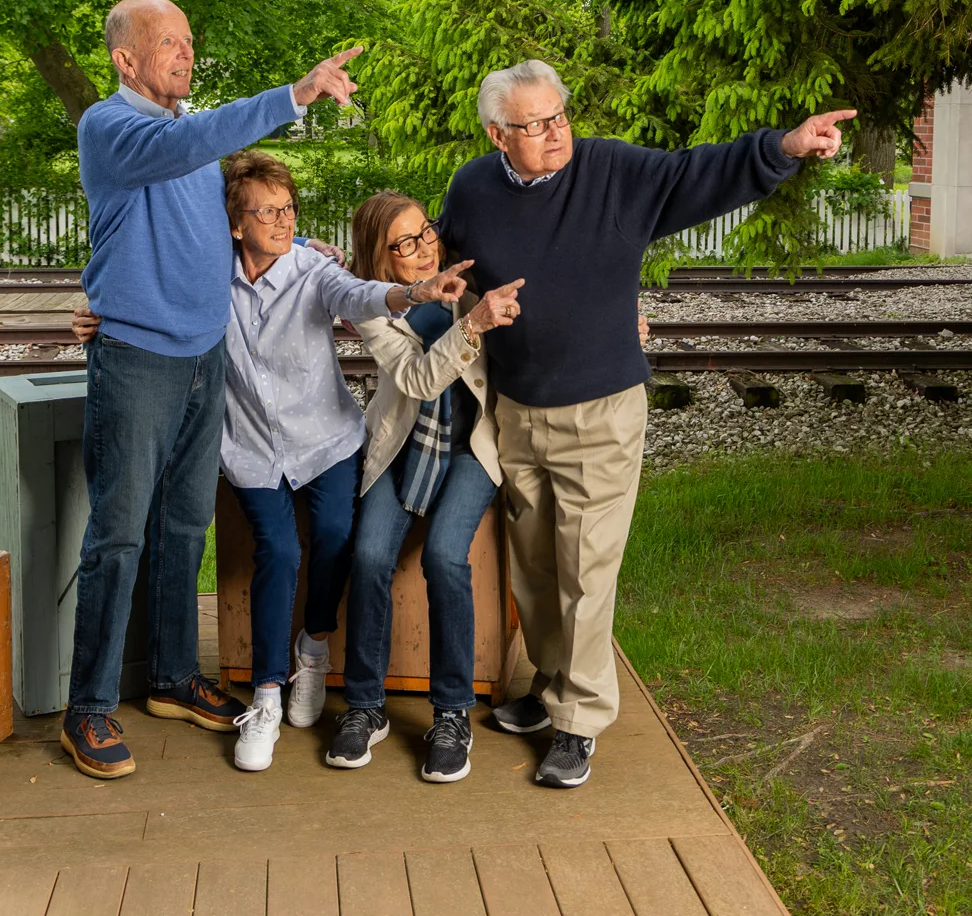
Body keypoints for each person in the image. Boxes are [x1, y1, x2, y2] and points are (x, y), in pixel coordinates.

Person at [439, 59, 854, 788]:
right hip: (517, 406)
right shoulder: (472, 187)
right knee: (534, 568)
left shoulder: (613, 171)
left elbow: (701, 173)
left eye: (559, 116)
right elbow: (451, 267)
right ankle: (549, 686)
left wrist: (782, 148)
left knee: (586, 570)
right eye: (534, 125)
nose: (554, 133)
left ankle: (580, 720)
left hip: (602, 408)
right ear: (497, 134)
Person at [61, 0, 361, 782]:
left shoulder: (190, 146)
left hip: (205, 357)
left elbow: (224, 236)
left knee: (186, 525)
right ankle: (86, 708)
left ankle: (169, 678)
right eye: (169, 43)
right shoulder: (112, 127)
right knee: (120, 533)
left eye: (190, 42)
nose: (186, 54)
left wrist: (301, 252)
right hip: (136, 359)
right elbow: (195, 141)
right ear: (126, 60)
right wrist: (292, 95)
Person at [217, 154, 471, 772]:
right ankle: (275, 694)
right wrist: (97, 314)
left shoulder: (314, 269)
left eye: (289, 210)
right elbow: (150, 277)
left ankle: (323, 646)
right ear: (234, 224)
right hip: (253, 447)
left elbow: (356, 291)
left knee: (339, 535)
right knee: (286, 550)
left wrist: (411, 292)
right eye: (267, 212)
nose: (281, 220)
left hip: (330, 440)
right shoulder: (207, 274)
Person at [323, 192, 522, 783]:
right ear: (380, 259)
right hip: (406, 442)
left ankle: (452, 713)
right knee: (368, 554)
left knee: (443, 556)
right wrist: (473, 328)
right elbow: (415, 379)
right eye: (404, 244)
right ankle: (364, 706)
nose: (423, 248)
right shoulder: (374, 309)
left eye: (425, 233)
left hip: (473, 444)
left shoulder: (466, 268)